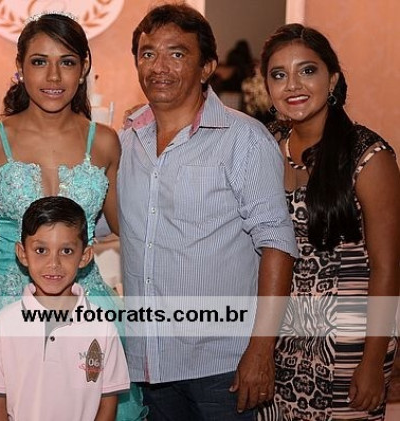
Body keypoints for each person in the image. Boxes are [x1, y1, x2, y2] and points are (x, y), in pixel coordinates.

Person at [0, 12, 146, 421]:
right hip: (4, 299)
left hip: (84, 299)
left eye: (67, 62)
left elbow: (129, 229)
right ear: (20, 67)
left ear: (84, 67)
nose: (54, 76)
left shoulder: (105, 142)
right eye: (40, 61)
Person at [118, 4, 298, 420]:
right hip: (149, 363)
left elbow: (277, 244)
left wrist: (261, 349)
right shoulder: (125, 142)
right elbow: (102, 222)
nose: (159, 67)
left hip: (222, 364)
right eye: (148, 54)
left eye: (177, 54)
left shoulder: (243, 138)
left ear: (207, 68)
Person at [258, 24, 400, 421]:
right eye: (279, 75)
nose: (293, 85)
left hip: (349, 342)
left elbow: (388, 268)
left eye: (307, 70)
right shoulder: (266, 145)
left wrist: (373, 360)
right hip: (279, 337)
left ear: (333, 79)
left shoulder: (369, 156)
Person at [0, 196, 130, 420]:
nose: (53, 264)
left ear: (85, 256)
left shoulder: (102, 325)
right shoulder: (4, 324)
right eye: (41, 250)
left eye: (66, 251)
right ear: (22, 253)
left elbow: (108, 403)